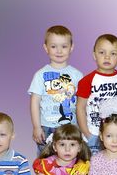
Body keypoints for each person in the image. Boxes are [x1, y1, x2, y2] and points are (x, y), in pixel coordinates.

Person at [28, 25, 83, 153]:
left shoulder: (77, 75)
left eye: (64, 46)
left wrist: (82, 128)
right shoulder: (40, 75)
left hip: (71, 128)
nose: (59, 51)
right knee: (46, 160)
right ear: (46, 48)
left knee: (71, 159)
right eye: (53, 46)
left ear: (71, 47)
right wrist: (36, 127)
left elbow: (82, 104)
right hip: (47, 127)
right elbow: (34, 102)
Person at [76, 34, 117, 154]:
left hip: (116, 137)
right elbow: (80, 108)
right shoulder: (87, 80)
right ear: (94, 55)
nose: (107, 57)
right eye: (102, 52)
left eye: (113, 53)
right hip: (94, 134)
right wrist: (87, 134)